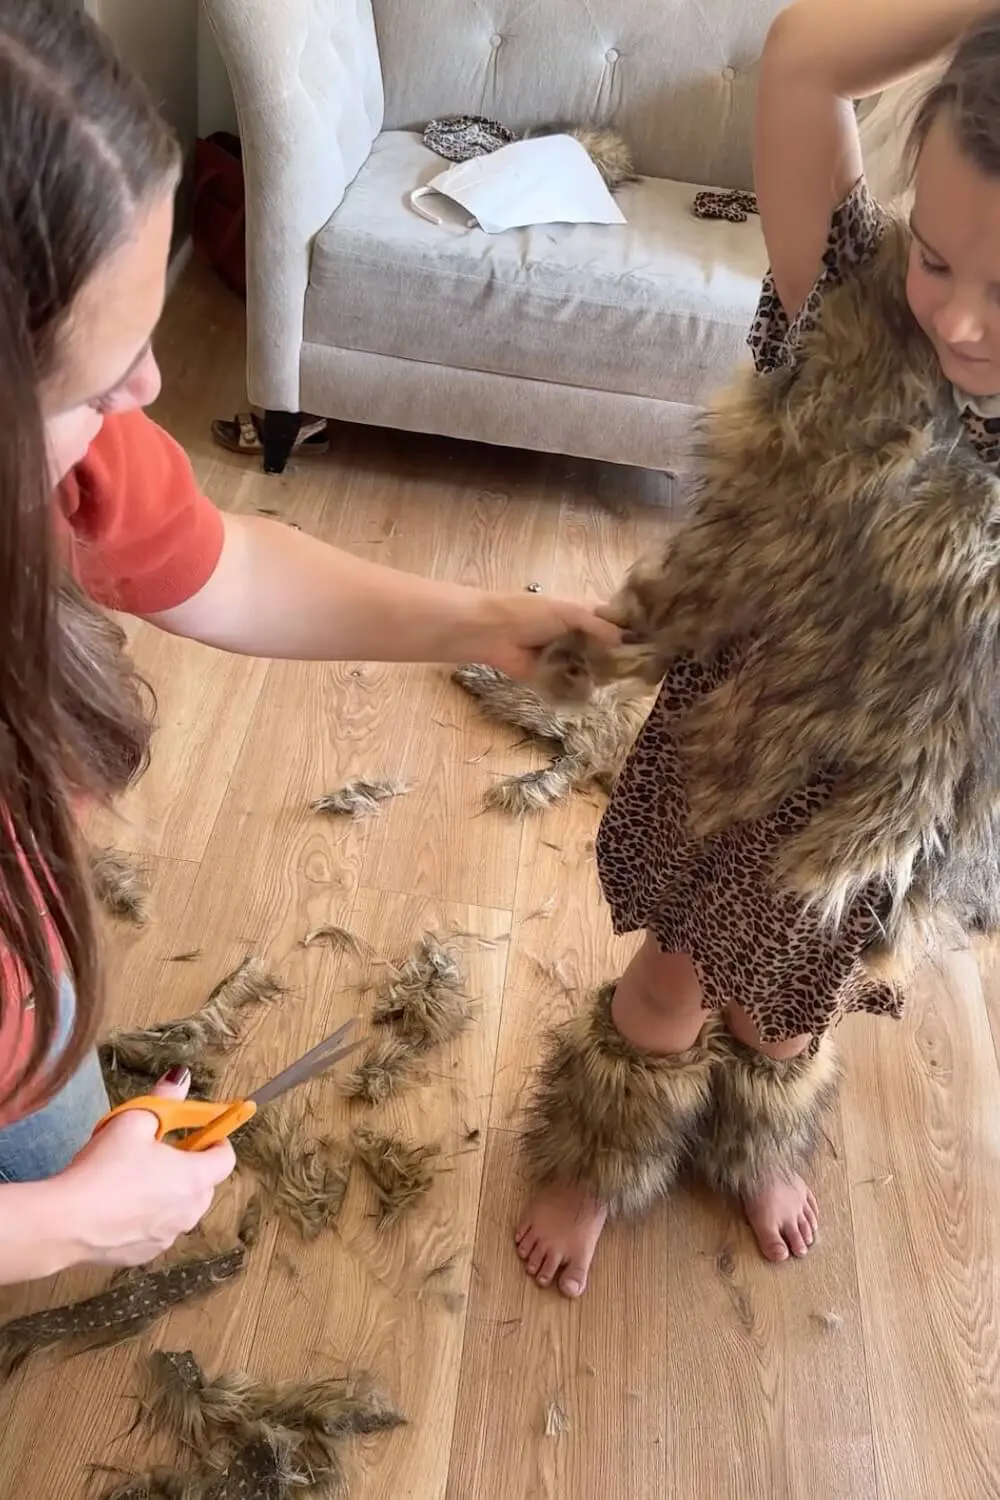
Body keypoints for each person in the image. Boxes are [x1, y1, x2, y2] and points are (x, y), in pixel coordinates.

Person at [0, 0, 617, 1289]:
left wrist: (484, 621)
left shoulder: (67, 477)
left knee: (48, 1125)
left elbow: (226, 567)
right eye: (95, 381)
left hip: (26, 983)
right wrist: (57, 1231)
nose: (153, 395)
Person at [514, 0, 1000, 1299]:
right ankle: (598, 1151)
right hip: (735, 760)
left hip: (881, 825)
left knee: (792, 1009)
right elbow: (801, 58)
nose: (957, 322)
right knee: (670, 978)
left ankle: (759, 1140)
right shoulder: (847, 311)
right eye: (941, 258)